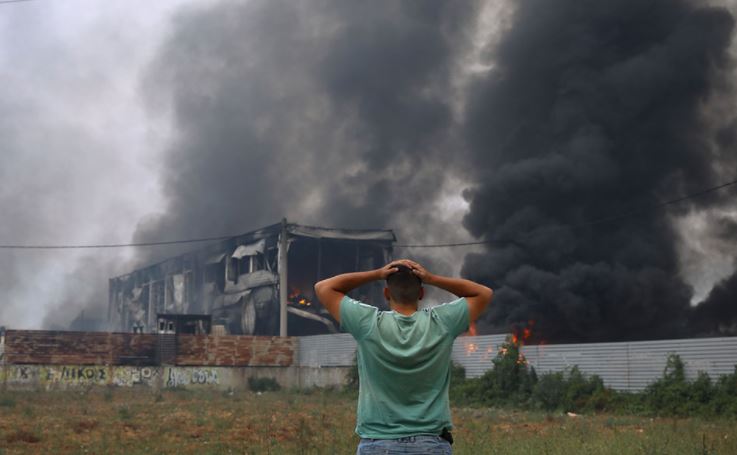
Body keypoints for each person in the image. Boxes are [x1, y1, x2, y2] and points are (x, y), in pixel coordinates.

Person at [314, 259, 493, 454]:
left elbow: (324, 287)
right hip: (430, 444)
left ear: (386, 294)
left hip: (378, 444)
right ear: (422, 294)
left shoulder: (367, 323)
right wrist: (431, 278)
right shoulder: (442, 323)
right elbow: (483, 293)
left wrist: (377, 273)